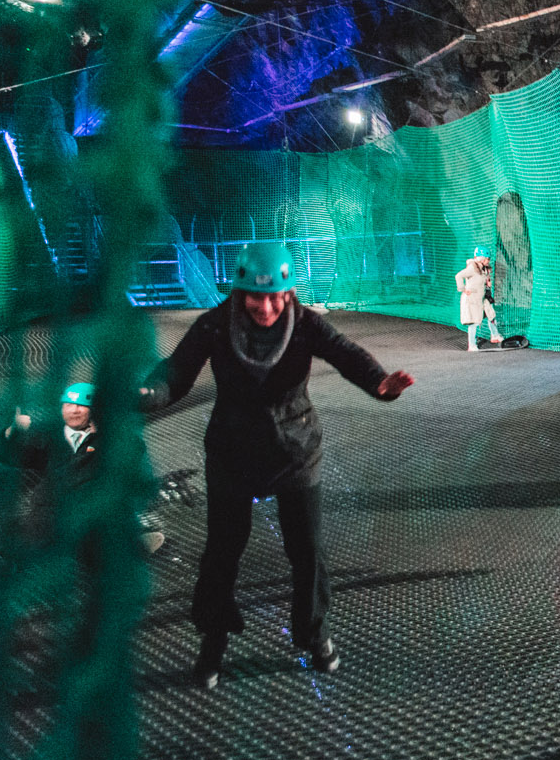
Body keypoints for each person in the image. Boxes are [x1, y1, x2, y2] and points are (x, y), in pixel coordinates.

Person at [141, 242, 413, 689]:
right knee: (222, 553)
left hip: (295, 450)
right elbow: (176, 371)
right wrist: (149, 394)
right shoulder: (214, 325)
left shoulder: (304, 325)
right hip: (232, 451)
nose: (265, 307)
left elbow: (346, 353)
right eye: (255, 296)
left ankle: (314, 633)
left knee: (307, 550)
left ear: (288, 293)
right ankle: (213, 641)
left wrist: (380, 384)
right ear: (239, 291)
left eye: (275, 296)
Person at [0, 381, 163, 560]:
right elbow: (16, 457)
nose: (74, 410)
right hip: (54, 510)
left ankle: (124, 551)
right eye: (69, 405)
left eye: (82, 406)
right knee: (26, 537)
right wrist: (12, 433)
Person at [455, 244, 503, 351]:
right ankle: (471, 345)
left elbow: (482, 280)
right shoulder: (472, 268)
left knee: (491, 314)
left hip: (481, 297)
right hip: (472, 299)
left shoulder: (484, 269)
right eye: (487, 258)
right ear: (482, 259)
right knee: (474, 321)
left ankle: (495, 335)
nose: (488, 260)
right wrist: (462, 289)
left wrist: (488, 283)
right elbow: (458, 276)